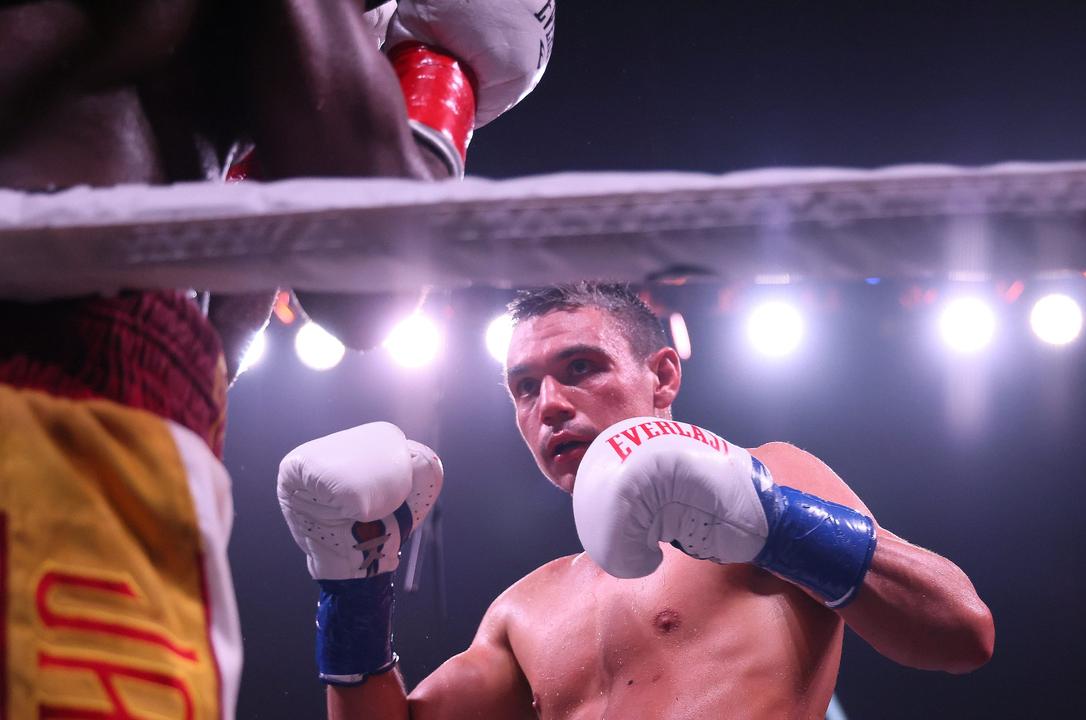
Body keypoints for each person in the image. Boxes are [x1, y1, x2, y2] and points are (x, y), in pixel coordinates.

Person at [0, 1, 550, 716]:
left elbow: (226, 329)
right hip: (60, 372)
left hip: (111, 380)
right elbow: (371, 282)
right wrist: (437, 83)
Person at [280, 281, 995, 719]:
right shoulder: (525, 606)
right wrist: (352, 592)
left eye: (580, 368)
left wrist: (773, 520)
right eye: (525, 388)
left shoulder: (772, 473)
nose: (549, 404)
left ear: (662, 377)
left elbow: (962, 630)